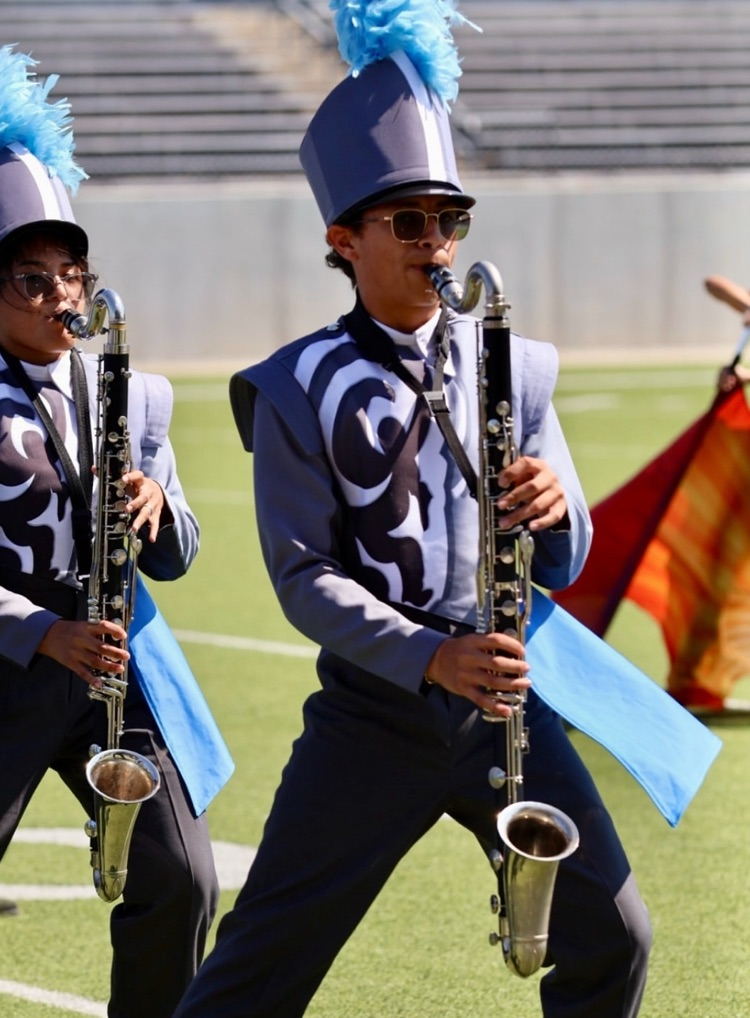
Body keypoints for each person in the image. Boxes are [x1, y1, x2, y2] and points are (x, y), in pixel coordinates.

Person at [174, 7, 651, 1017]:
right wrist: (430, 657)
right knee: (257, 966)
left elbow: (566, 556)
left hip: (505, 707)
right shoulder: (295, 383)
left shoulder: (513, 363)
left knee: (615, 934)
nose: (435, 243)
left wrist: (555, 506)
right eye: (408, 222)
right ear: (343, 240)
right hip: (373, 715)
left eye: (449, 220)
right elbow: (303, 576)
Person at [0, 47, 232, 1017]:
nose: (63, 298)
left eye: (73, 276)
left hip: (107, 660)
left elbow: (179, 553)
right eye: (32, 280)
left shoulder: (132, 394)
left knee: (182, 876)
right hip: (10, 658)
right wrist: (34, 630)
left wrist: (157, 510)